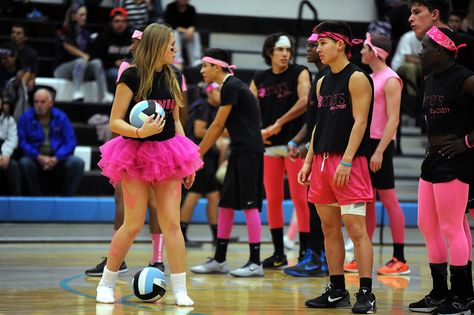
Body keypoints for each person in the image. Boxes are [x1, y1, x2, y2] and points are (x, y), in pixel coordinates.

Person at [95, 23, 202, 306]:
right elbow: (115, 121)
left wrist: (187, 162)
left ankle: (180, 289)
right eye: (171, 46)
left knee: (172, 224)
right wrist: (141, 132)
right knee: (131, 224)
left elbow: (177, 120)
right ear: (157, 46)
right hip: (135, 152)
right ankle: (106, 282)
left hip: (168, 153)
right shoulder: (131, 75)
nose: (175, 50)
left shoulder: (174, 75)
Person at [298, 21, 376, 313]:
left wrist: (346, 160)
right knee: (328, 228)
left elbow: (360, 122)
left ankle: (366, 294)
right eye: (317, 45)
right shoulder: (321, 80)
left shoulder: (357, 77)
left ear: (340, 44)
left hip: (349, 163)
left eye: (322, 44)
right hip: (321, 163)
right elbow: (319, 125)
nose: (317, 49)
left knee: (356, 230)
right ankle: (337, 289)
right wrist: (309, 160)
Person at [85, 29, 165, 277]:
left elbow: (176, 113)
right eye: (131, 42)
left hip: (161, 143)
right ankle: (116, 259)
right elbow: (118, 114)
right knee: (122, 201)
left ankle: (158, 259)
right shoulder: (127, 70)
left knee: (155, 204)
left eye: (137, 42)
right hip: (131, 143)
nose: (132, 46)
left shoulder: (169, 72)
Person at [408, 26, 474, 315]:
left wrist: (467, 142)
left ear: (441, 50)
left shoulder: (465, 79)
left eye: (424, 47)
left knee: (452, 227)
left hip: (456, 160)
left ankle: (462, 296)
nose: (420, 52)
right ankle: (439, 291)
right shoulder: (430, 78)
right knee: (426, 223)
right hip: (432, 158)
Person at [190, 48, 265, 277]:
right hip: (238, 151)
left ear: (217, 66)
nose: (202, 70)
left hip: (250, 153)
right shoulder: (230, 86)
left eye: (205, 66)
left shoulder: (231, 85)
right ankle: (220, 260)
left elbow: (217, 125)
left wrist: (197, 154)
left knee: (250, 206)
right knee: (226, 204)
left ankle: (255, 262)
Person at [344, 33, 409, 276]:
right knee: (367, 199)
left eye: (364, 48)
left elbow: (394, 119)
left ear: (375, 51)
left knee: (389, 199)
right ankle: (363, 254)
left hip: (381, 145)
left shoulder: (391, 79)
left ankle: (399, 258)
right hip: (365, 144)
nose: (360, 51)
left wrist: (380, 150)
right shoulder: (369, 78)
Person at [249, 33, 311, 269]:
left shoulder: (300, 72)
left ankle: (306, 253)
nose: (285, 53)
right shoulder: (259, 78)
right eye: (280, 49)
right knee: (273, 200)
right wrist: (258, 131)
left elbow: (305, 100)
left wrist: (278, 123)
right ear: (269, 53)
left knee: (299, 198)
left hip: (294, 145)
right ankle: (278, 253)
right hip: (269, 147)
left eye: (288, 50)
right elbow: (248, 107)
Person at [282, 33, 330, 277]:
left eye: (316, 45)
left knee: (319, 208)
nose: (310, 49)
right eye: (311, 44)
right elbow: (312, 121)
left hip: (325, 154)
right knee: (313, 205)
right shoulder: (317, 79)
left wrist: (307, 147)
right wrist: (297, 140)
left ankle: (319, 258)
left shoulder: (330, 78)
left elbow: (324, 123)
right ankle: (315, 255)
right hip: (314, 149)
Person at [17, 89, 85, 196]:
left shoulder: (61, 117)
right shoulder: (25, 118)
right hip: (35, 158)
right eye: (36, 102)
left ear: (51, 103)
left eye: (42, 102)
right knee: (24, 163)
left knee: (77, 163)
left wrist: (57, 158)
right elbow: (22, 142)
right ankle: (36, 198)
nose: (39, 105)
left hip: (58, 159)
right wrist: (38, 156)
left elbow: (71, 141)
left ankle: (66, 199)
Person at [180, 82, 221, 247]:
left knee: (212, 196)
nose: (220, 94)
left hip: (208, 157)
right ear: (209, 92)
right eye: (218, 90)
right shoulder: (202, 107)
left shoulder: (213, 108)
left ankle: (216, 236)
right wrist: (219, 131)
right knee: (194, 194)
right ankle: (181, 234)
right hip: (198, 156)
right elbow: (198, 131)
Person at [53, 3, 113, 103]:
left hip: (81, 69)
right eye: (81, 15)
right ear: (73, 16)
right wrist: (83, 55)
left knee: (97, 62)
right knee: (80, 61)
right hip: (61, 69)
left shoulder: (86, 33)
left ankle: (104, 94)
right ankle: (77, 92)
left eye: (85, 15)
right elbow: (66, 45)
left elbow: (91, 53)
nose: (84, 18)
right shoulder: (63, 29)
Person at [409, 0, 474, 71]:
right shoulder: (427, 46)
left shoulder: (466, 42)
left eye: (417, 12)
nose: (410, 19)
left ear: (434, 14)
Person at [90, 7, 132, 93]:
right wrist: (113, 63)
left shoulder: (131, 38)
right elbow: (95, 58)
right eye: (117, 21)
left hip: (127, 68)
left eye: (123, 21)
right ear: (111, 23)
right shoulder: (103, 37)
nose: (120, 24)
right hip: (107, 69)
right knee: (116, 74)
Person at [164, 0, 202, 68]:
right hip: (174, 35)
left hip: (186, 36)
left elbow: (193, 23)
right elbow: (169, 24)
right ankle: (177, 60)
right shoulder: (170, 7)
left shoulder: (191, 8)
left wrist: (191, 29)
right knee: (174, 33)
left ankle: (195, 60)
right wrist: (185, 30)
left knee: (195, 34)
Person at [0, 95, 21, 195]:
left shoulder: (9, 120)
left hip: (4, 151)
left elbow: (12, 139)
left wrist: (5, 155)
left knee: (13, 166)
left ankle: (17, 202)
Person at [10, 23, 38, 92]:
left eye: (18, 33)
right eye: (13, 32)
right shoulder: (5, 49)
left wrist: (32, 79)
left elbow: (33, 71)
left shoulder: (31, 53)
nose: (15, 35)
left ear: (25, 37)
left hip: (22, 79)